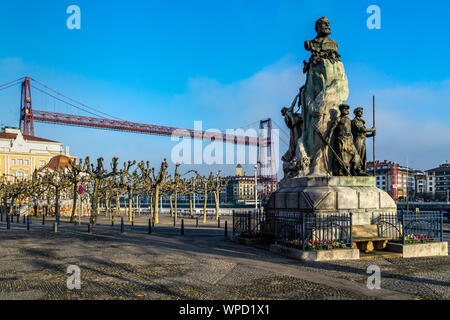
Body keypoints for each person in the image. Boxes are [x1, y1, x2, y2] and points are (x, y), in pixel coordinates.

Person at [351, 107, 376, 172]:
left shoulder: (361, 122)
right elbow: (362, 129)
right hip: (358, 140)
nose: (362, 113)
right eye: (360, 112)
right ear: (356, 113)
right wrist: (371, 129)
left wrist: (371, 134)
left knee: (363, 156)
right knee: (358, 155)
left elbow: (364, 134)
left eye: (362, 112)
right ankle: (356, 169)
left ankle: (362, 169)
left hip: (363, 140)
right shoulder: (355, 121)